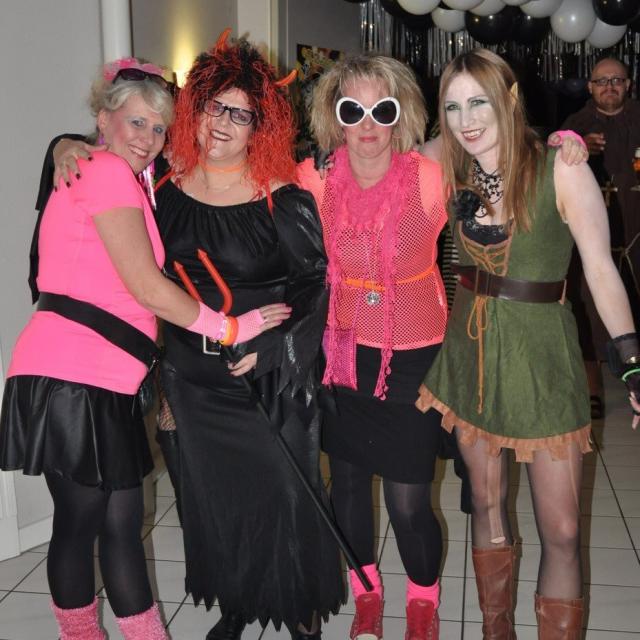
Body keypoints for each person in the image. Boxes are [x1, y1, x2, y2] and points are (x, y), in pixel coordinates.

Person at [49, 34, 344, 640]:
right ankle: (236, 604)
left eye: (241, 114)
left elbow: (315, 284)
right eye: (214, 107)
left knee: (283, 495)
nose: (223, 124)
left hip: (268, 376)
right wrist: (63, 144)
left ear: (260, 126)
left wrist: (275, 349)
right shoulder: (158, 188)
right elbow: (102, 168)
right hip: (190, 380)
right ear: (196, 110)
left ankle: (298, 612)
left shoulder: (282, 198)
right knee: (210, 502)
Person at [0, 58, 287, 640]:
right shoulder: (105, 170)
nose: (148, 138)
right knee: (83, 523)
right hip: (73, 373)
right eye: (136, 122)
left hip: (103, 377)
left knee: (119, 523)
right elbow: (148, 288)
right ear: (103, 119)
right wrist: (230, 328)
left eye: (158, 127)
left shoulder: (130, 179)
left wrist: (62, 144)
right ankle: (83, 634)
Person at [416, 49, 640, 639]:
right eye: (453, 106)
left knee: (562, 530)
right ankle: (497, 631)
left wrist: (631, 362)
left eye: (479, 102)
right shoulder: (448, 165)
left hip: (542, 356)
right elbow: (383, 154)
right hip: (472, 352)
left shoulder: (561, 167)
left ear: (510, 98)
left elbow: (600, 270)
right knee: (486, 506)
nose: (466, 120)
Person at [296, 52, 451, 640]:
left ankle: (422, 601)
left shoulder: (429, 177)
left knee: (410, 499)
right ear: (332, 115)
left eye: (381, 110)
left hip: (413, 351)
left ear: (400, 114)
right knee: (350, 488)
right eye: (351, 110)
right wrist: (68, 145)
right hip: (341, 351)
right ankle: (367, 593)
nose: (367, 124)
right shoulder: (311, 178)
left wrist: (564, 142)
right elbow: (232, 175)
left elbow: (506, 165)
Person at [562, 57, 640, 418]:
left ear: (628, 85)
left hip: (636, 235)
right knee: (586, 316)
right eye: (601, 81)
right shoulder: (574, 126)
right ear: (590, 87)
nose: (610, 87)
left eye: (617, 80)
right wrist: (576, 150)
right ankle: (592, 390)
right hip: (590, 243)